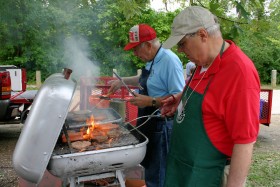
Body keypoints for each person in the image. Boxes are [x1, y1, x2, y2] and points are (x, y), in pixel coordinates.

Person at [161, 6, 260, 187]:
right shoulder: (203, 61)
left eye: (182, 43)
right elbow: (207, 94)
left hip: (210, 174)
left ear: (202, 35)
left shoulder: (239, 72)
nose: (180, 50)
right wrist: (180, 99)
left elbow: (245, 141)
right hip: (184, 167)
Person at [108, 24, 185, 187]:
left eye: (136, 49)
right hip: (149, 123)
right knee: (150, 169)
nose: (135, 54)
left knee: (158, 175)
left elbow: (180, 98)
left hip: (162, 126)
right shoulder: (152, 59)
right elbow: (146, 78)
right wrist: (123, 81)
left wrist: (149, 101)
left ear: (149, 45)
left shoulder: (169, 61)